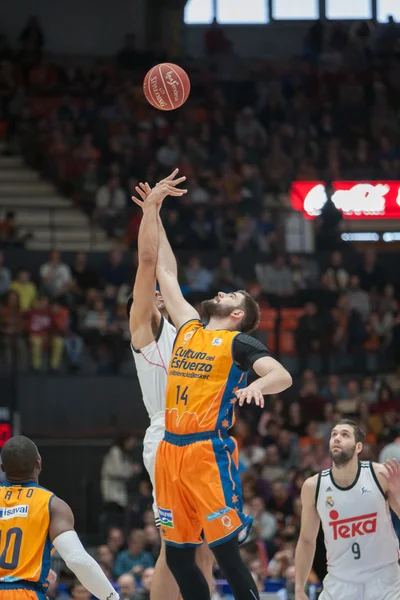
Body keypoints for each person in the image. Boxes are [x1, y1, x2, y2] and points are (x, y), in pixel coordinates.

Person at [132, 174, 292, 600]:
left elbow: (281, 374)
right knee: (180, 555)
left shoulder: (240, 342)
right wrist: (155, 211)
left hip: (206, 451)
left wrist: (256, 386)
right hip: (170, 451)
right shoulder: (188, 325)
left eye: (232, 296)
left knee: (225, 551)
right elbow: (164, 268)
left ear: (238, 315)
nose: (222, 292)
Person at [129, 169, 215, 600]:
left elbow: (165, 266)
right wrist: (147, 211)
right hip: (166, 435)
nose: (159, 293)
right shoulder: (143, 333)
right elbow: (148, 263)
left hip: (198, 433)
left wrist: (158, 212)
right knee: (176, 542)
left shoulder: (187, 328)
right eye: (152, 294)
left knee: (207, 540)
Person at [0, 435, 119, 600]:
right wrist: (112, 597)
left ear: (2, 467)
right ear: (39, 463)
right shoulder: (53, 505)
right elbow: (77, 559)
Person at [294, 419, 400, 600]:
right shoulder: (313, 486)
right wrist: (298, 587)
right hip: (340, 581)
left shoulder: (379, 474)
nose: (337, 438)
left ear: (358, 447)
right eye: (334, 434)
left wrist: (398, 494)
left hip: (385, 578)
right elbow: (306, 540)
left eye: (344, 435)